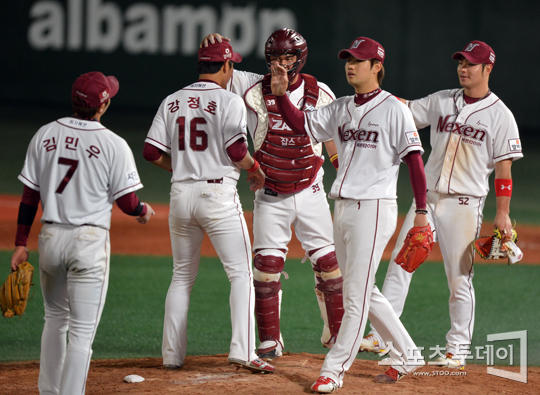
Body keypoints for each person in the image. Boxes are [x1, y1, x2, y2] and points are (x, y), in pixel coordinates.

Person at [270, 36, 428, 392]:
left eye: (359, 60)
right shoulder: (340, 107)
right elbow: (301, 125)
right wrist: (281, 95)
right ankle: (409, 353)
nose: (350, 65)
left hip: (373, 210)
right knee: (362, 289)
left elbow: (415, 162)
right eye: (348, 59)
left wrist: (421, 212)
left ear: (377, 67)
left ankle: (334, 369)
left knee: (352, 296)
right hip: (341, 208)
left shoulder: (394, 109)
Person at [362, 40, 523, 369]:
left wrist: (503, 213)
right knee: (401, 263)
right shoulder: (442, 100)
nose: (463, 68)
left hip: (465, 205)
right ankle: (383, 336)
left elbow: (504, 170)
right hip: (428, 201)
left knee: (459, 277)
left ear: (487, 69)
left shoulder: (500, 115)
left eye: (471, 64)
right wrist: (374, 93)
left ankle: (457, 350)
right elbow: (406, 108)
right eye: (460, 63)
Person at [201, 29, 344, 361]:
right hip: (269, 192)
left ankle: (336, 333)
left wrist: (342, 169)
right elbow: (218, 71)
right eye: (275, 58)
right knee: (266, 266)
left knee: (329, 264)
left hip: (311, 189)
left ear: (300, 58)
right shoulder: (250, 86)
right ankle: (269, 340)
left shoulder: (320, 92)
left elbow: (332, 139)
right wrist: (215, 46)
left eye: (288, 57)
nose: (281, 63)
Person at [10, 71, 155, 395]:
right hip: (88, 243)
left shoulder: (45, 134)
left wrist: (21, 243)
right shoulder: (112, 143)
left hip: (50, 239)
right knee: (81, 333)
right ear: (102, 106)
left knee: (54, 320)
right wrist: (143, 212)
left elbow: (29, 196)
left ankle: (48, 391)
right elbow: (127, 201)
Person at [143, 40, 275, 373]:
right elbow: (235, 151)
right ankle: (243, 351)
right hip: (217, 196)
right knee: (241, 274)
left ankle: (172, 356)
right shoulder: (229, 100)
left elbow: (150, 151)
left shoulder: (171, 101)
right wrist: (255, 169)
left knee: (181, 277)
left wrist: (183, 168)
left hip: (180, 197)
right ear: (227, 67)